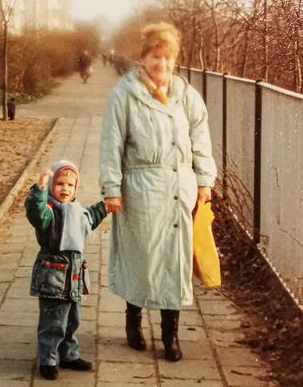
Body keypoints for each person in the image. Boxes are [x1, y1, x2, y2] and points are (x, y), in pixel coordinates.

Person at [98, 22, 217, 362]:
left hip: (180, 190)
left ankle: (170, 335)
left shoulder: (185, 94)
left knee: (174, 262)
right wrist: (111, 189)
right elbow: (111, 144)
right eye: (154, 57)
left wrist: (205, 180)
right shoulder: (125, 93)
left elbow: (201, 140)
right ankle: (133, 321)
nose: (160, 64)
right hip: (140, 189)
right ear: (143, 57)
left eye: (166, 58)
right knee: (142, 257)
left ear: (174, 60)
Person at [25, 160, 108, 380]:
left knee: (72, 319)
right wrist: (39, 191)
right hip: (53, 276)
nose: (65, 189)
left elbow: (90, 218)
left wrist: (105, 207)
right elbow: (36, 213)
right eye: (60, 184)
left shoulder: (76, 211)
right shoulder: (49, 212)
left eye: (70, 186)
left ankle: (69, 354)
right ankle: (48, 359)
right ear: (52, 186)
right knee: (53, 321)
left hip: (73, 277)